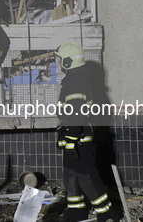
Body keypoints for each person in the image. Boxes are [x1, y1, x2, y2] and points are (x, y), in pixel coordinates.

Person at [54, 42, 120, 222]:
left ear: (68, 61)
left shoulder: (76, 81)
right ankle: (76, 211)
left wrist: (71, 140)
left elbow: (76, 113)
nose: (57, 62)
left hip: (78, 140)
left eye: (59, 59)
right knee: (71, 175)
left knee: (87, 177)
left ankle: (107, 213)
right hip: (75, 138)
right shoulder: (75, 78)